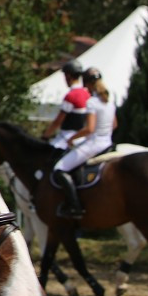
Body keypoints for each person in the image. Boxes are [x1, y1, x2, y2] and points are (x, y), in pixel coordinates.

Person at [51, 67, 117, 218]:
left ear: (88, 83)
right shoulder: (109, 100)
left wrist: (72, 139)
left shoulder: (92, 102)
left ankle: (75, 207)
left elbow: (89, 129)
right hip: (108, 142)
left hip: (94, 144)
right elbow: (114, 125)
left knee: (60, 168)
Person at [42, 60, 90, 149]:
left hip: (67, 136)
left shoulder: (71, 96)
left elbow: (58, 122)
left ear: (68, 76)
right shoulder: (86, 93)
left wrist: (45, 136)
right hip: (82, 137)